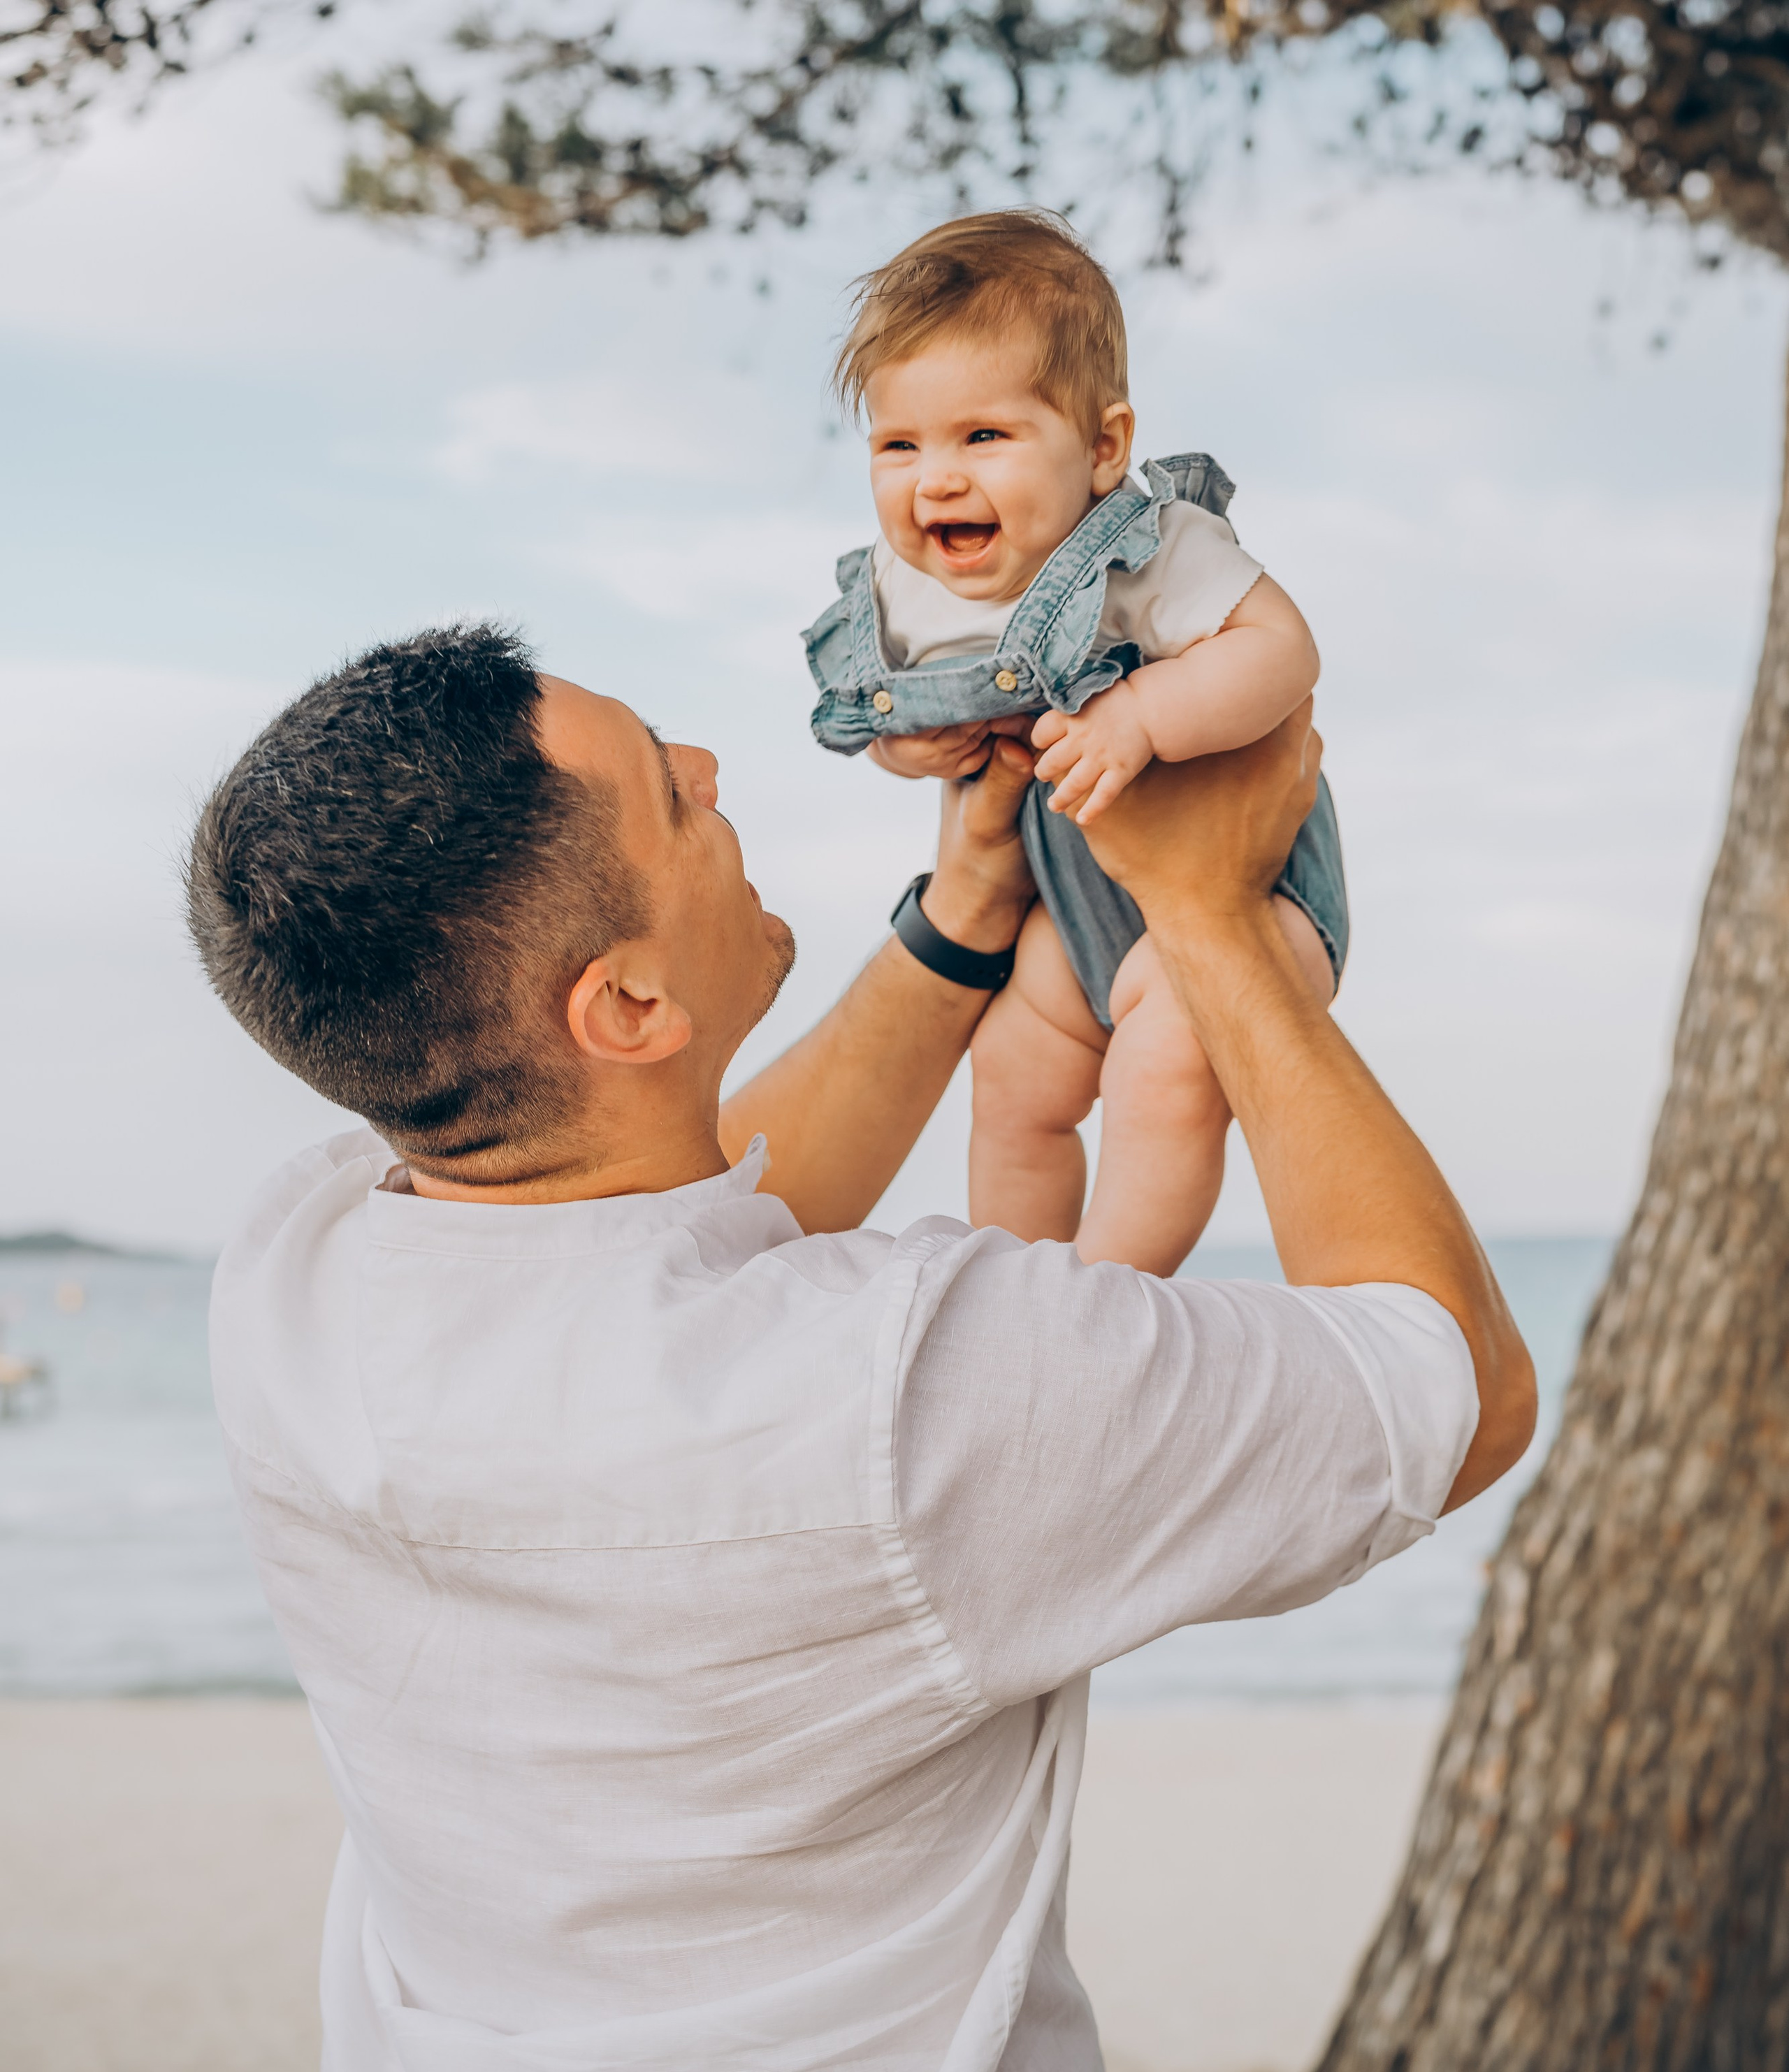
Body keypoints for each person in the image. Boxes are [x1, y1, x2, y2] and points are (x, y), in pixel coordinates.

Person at [190, 621, 1533, 2072]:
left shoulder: (291, 1282)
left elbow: (669, 1241)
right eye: (671, 791)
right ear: (630, 1005)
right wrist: (1202, 914)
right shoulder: (903, 1404)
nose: (710, 765)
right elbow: (1454, 1386)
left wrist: (964, 910)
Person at [804, 208, 1342, 1271]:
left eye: (983, 437)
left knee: (1162, 1066)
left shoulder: (1149, 553)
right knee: (1012, 1075)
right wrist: (908, 750)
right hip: (1071, 903)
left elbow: (1284, 650)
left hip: (1251, 891)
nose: (937, 479)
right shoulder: (907, 589)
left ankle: (1111, 1289)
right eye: (899, 445)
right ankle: (1016, 1288)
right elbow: (890, 711)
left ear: (1103, 448)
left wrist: (1145, 713)